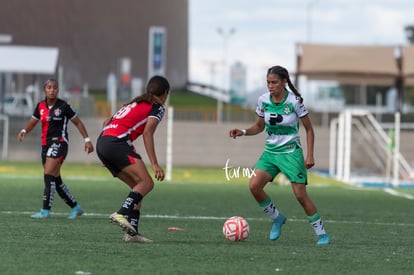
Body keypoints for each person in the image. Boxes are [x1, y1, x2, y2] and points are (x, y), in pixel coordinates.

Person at [229, 65, 330, 245]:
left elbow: (309, 129)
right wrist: (243, 131)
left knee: (300, 195)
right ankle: (277, 218)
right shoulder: (262, 100)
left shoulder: (294, 102)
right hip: (271, 153)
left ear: (284, 82)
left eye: (274, 82)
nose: (270, 86)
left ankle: (321, 233)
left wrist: (310, 155)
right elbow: (259, 127)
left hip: (291, 153)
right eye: (268, 82)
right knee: (254, 185)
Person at [96, 75, 169, 243]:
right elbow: (148, 132)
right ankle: (121, 213)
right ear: (165, 93)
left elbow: (106, 121)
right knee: (147, 183)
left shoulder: (134, 102)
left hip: (104, 142)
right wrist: (155, 164)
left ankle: (132, 233)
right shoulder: (157, 107)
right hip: (117, 143)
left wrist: (104, 152)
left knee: (137, 188)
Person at [17, 78, 94, 219]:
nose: (52, 90)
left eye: (55, 87)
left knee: (48, 174)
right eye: (49, 87)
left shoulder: (64, 106)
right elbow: (33, 121)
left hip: (60, 143)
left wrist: (87, 140)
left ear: (58, 90)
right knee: (56, 181)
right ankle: (76, 208)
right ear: (44, 90)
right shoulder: (40, 106)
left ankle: (45, 211)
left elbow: (78, 123)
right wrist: (24, 131)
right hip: (45, 146)